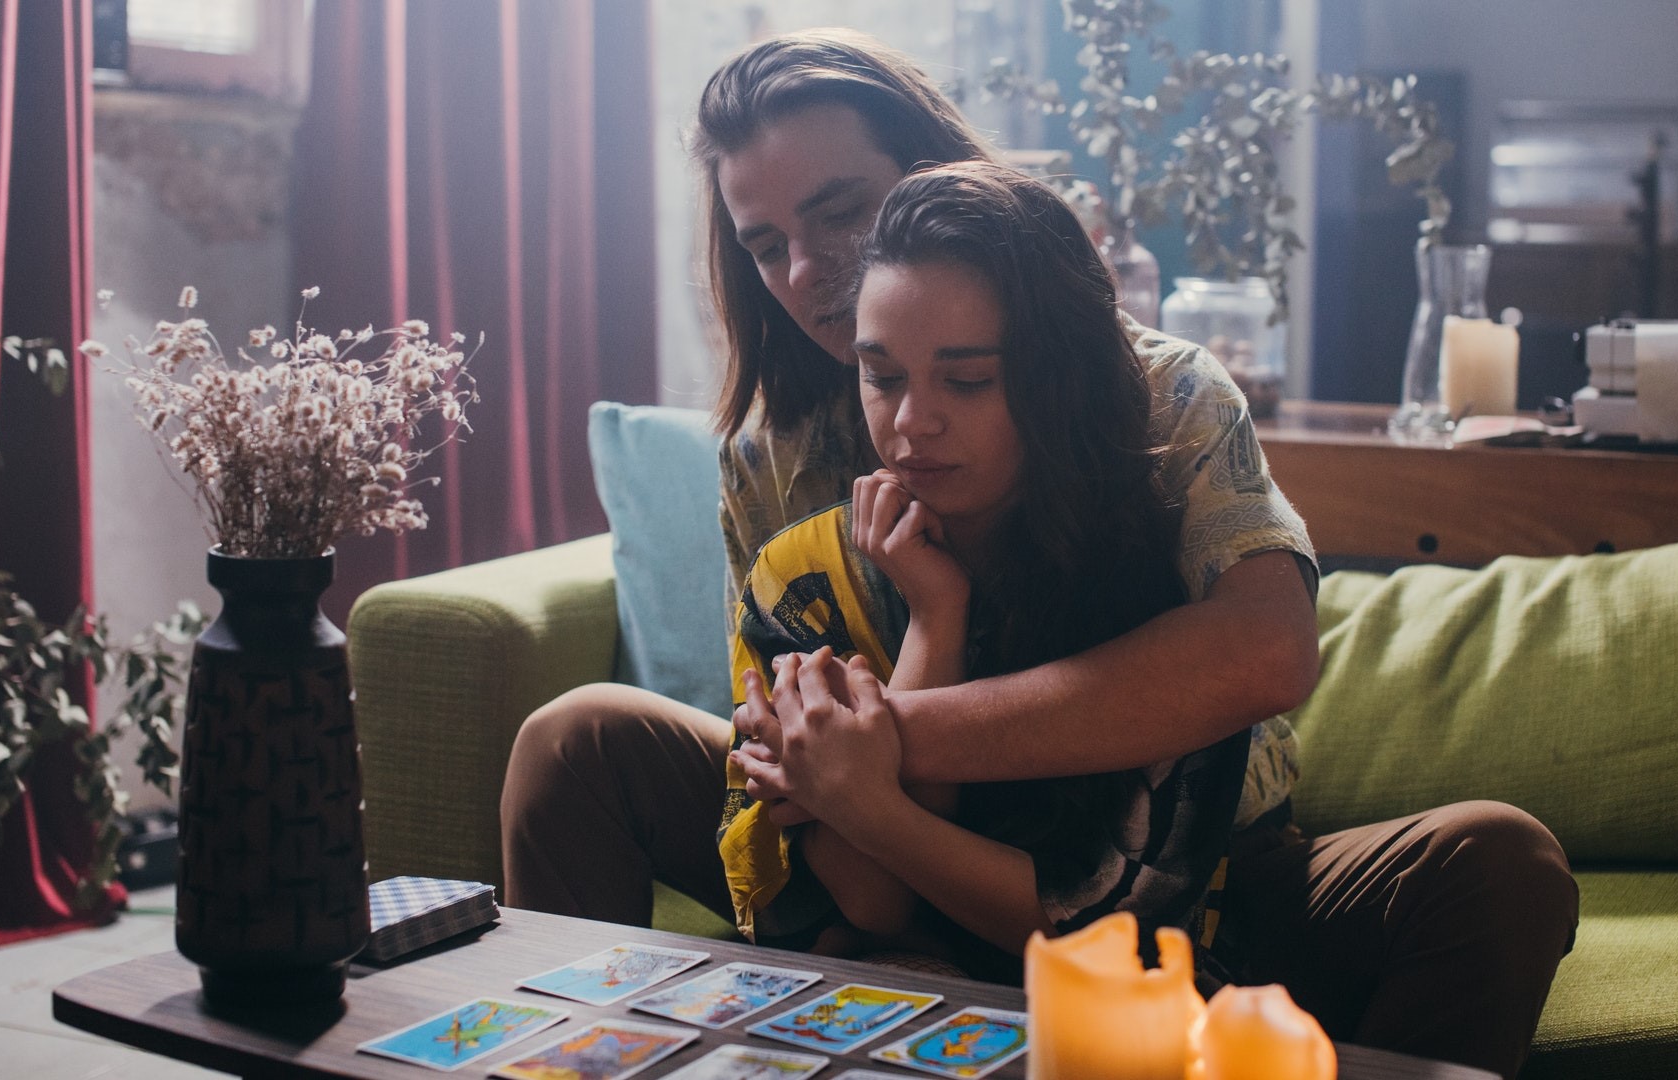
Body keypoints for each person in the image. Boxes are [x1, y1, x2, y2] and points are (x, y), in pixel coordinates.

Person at [500, 28, 1576, 1079]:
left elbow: (1260, 653)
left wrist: (875, 748)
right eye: (764, 243)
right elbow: (811, 782)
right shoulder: (769, 459)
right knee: (581, 742)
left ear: (938, 182)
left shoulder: (1161, 394)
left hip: (1189, 876)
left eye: (838, 214)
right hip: (870, 860)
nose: (805, 271)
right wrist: (858, 787)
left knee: (1494, 863)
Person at [716, 161, 1250, 985]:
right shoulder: (804, 577)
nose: (909, 423)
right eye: (881, 376)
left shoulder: (1165, 582)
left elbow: (1110, 937)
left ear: (1059, 381)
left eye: (966, 381)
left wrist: (863, 798)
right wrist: (935, 614)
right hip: (885, 978)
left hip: (1112, 1003)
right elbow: (873, 903)